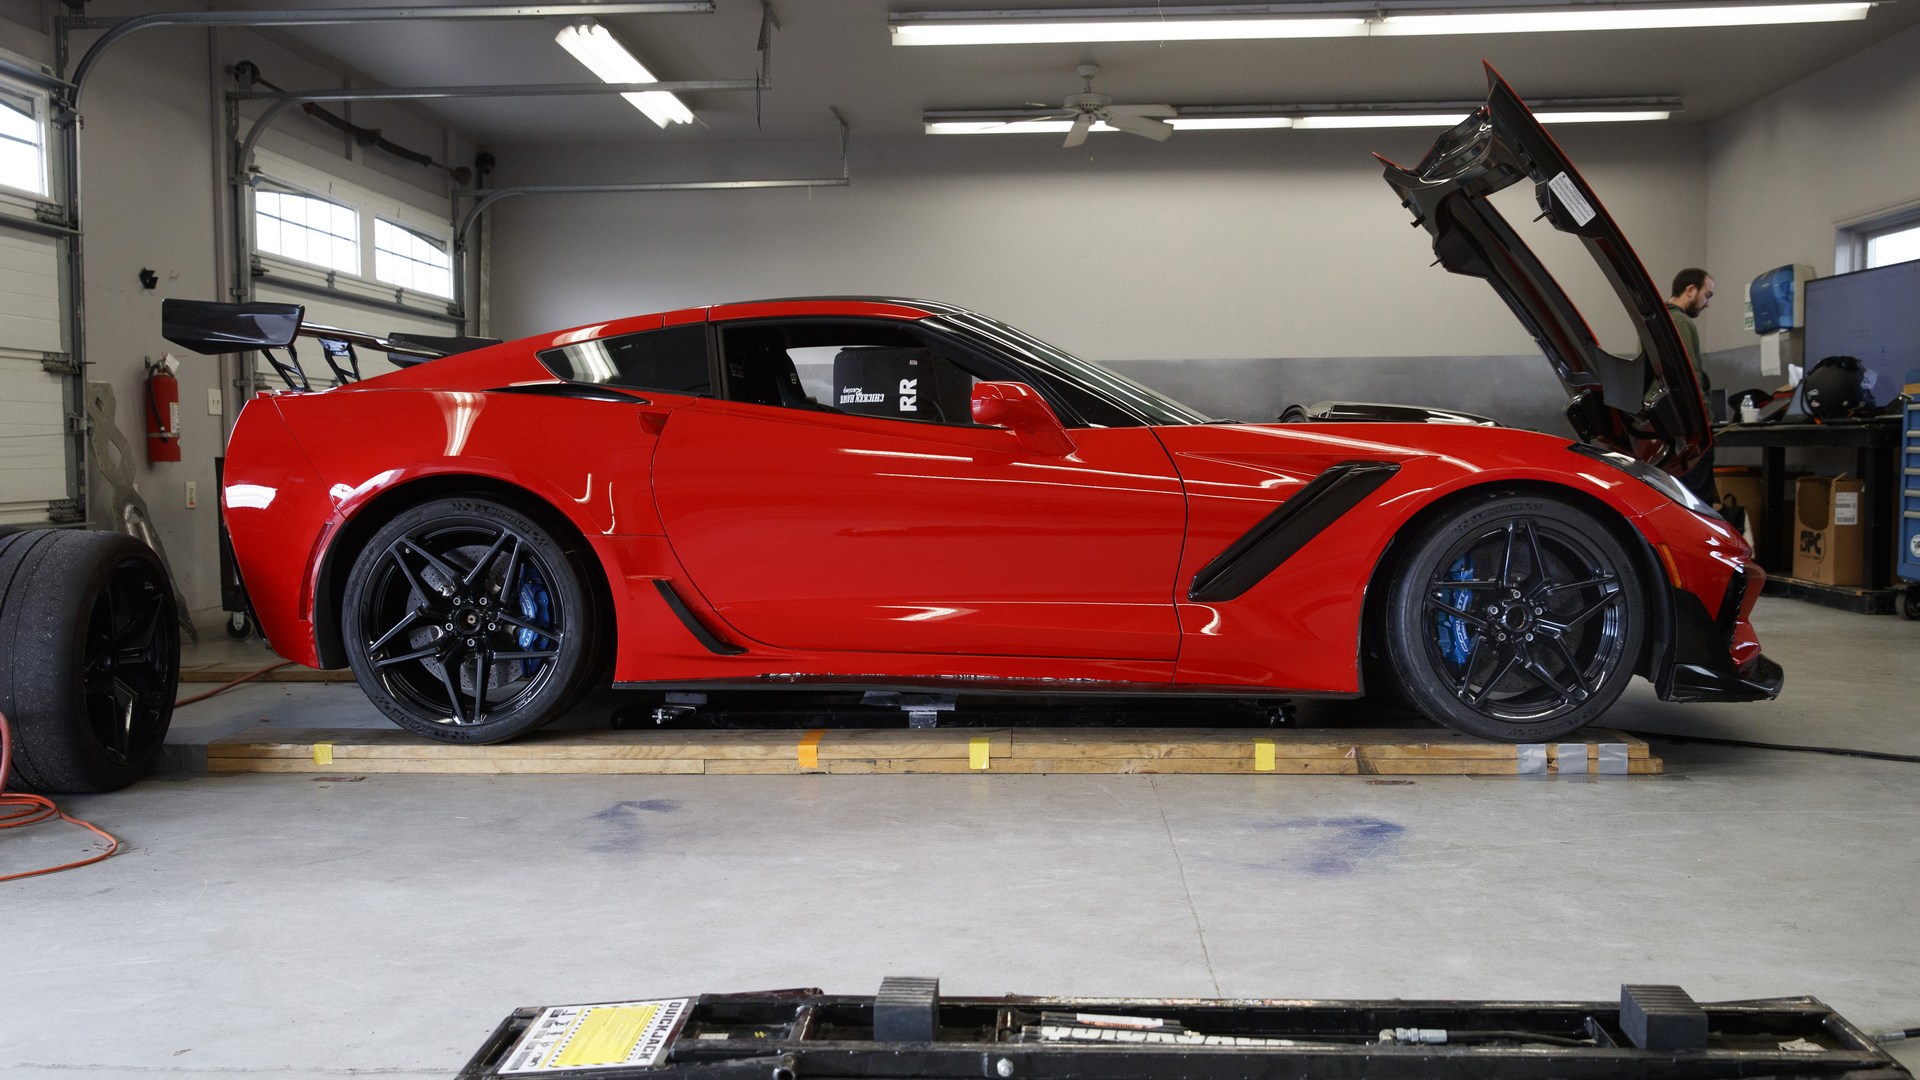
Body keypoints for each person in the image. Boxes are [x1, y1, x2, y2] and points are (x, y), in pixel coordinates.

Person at [1667, 268, 1716, 505]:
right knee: (1698, 498)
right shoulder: (1682, 323)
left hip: (1667, 426)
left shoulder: (1656, 321)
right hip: (1689, 428)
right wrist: (1706, 421)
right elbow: (1690, 378)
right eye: (1707, 295)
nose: (1707, 304)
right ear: (1690, 290)